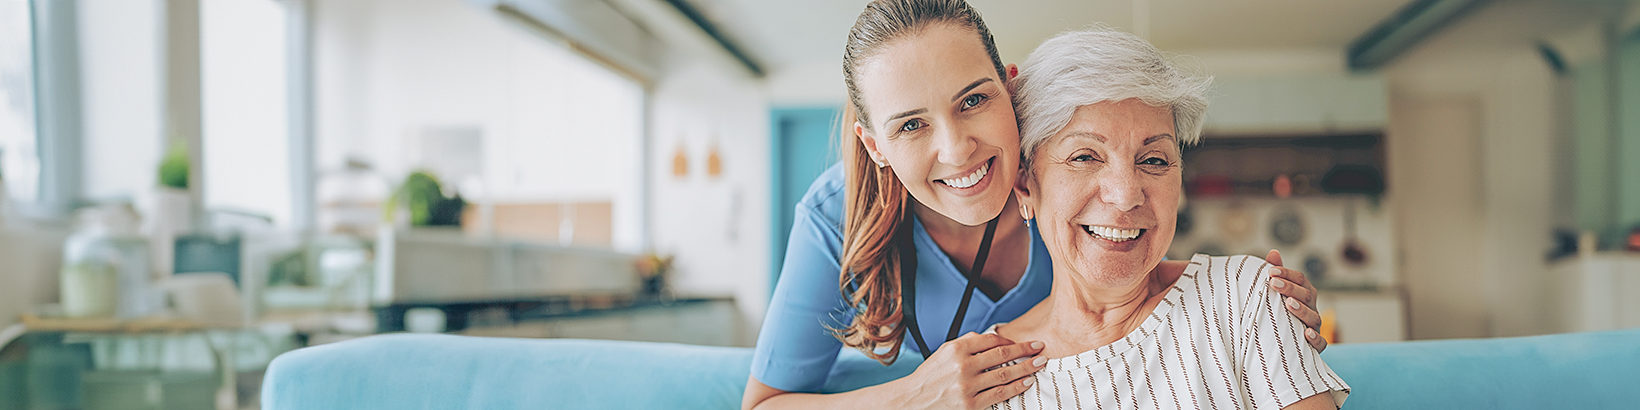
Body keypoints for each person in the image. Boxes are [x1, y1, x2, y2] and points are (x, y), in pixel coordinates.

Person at [743, 1, 1327, 409]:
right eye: (912, 125)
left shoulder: (1052, 169)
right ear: (877, 147)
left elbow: (1119, 253)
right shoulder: (833, 217)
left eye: (973, 100)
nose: (957, 149)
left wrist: (1238, 292)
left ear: (1009, 88)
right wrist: (915, 396)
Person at [986, 26, 1348, 409]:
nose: (1126, 196)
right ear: (1026, 185)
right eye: (1085, 157)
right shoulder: (985, 375)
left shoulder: (1242, 295)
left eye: (1154, 160)